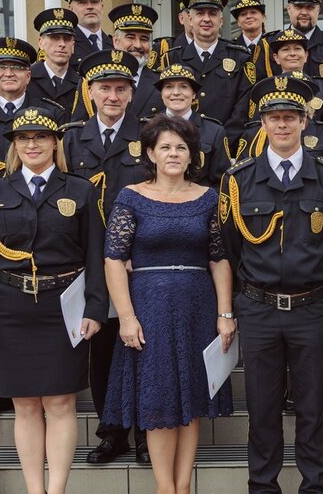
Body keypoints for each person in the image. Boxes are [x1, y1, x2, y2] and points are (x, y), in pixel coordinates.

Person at [0, 106, 107, 494]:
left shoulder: (80, 189)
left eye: (40, 137)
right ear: (14, 146)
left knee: (61, 403)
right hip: (10, 306)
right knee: (24, 404)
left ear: (55, 143)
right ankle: (34, 490)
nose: (32, 145)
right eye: (23, 138)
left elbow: (95, 254)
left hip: (63, 307)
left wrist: (96, 307)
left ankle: (56, 489)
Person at [218, 75, 323, 494]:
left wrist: (315, 291)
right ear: (262, 124)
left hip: (310, 307)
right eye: (274, 118)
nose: (282, 125)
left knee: (312, 406)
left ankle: (314, 486)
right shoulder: (238, 181)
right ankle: (263, 485)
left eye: (290, 117)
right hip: (258, 309)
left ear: (304, 122)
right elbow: (230, 247)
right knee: (262, 406)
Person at [102, 115, 236, 494]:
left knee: (191, 397)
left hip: (198, 305)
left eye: (181, 147)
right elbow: (113, 258)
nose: (174, 153)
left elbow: (219, 258)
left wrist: (225, 314)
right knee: (159, 397)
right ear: (150, 153)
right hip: (149, 307)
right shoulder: (131, 197)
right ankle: (165, 488)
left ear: (192, 155)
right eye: (165, 147)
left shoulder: (209, 197)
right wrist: (126, 317)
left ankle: (183, 484)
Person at [62, 48, 151, 464]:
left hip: (141, 263)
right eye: (105, 89)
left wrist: (135, 248)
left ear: (131, 94)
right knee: (101, 349)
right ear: (91, 92)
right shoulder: (70, 137)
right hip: (89, 263)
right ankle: (111, 431)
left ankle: (148, 434)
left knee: (144, 348)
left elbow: (160, 197)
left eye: (120, 89)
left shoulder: (149, 134)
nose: (112, 96)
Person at [165, 0, 254, 148]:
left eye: (212, 14)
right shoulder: (173, 58)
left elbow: (244, 108)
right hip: (179, 146)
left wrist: (218, 141)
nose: (206, 19)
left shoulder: (241, 57)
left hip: (227, 148)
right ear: (190, 20)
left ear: (221, 21)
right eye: (200, 13)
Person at [0, 37, 66, 173]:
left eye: (17, 67)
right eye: (1, 67)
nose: (8, 73)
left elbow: (62, 162)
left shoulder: (52, 113)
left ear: (28, 76)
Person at [153, 63, 232, 188]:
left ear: (194, 94)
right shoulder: (147, 128)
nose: (176, 93)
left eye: (184, 87)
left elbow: (222, 181)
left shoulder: (214, 131)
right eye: (169, 87)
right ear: (161, 94)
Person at [108, 2, 165, 121]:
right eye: (130, 37)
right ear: (116, 41)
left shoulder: (163, 82)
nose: (138, 45)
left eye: (144, 39)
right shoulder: (96, 81)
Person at [26, 8, 83, 117]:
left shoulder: (83, 84)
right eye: (55, 38)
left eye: (67, 39)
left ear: (73, 45)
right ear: (41, 42)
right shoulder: (27, 80)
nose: (62, 44)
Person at [63, 0, 111, 65]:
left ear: (102, 7)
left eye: (94, 2)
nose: (90, 7)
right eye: (82, 2)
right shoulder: (65, 43)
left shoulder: (115, 44)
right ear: (70, 9)